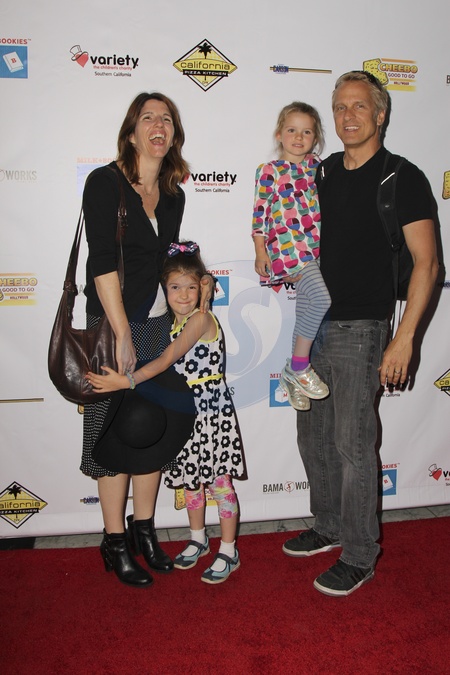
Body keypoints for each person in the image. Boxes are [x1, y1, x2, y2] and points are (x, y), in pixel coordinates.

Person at [283, 71, 439, 596]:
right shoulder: (321, 171)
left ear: (380, 114)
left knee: (352, 446)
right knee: (313, 438)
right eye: (339, 106)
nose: (347, 116)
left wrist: (405, 338)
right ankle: (328, 525)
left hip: (362, 328)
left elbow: (427, 263)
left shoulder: (402, 177)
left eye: (358, 106)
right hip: (312, 324)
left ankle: (359, 554)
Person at [81, 92, 214, 588]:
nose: (158, 125)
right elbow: (101, 263)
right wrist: (121, 332)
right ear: (132, 131)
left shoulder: (174, 194)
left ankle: (144, 531)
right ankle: (115, 541)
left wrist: (200, 286)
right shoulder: (105, 183)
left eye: (167, 119)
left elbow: (169, 262)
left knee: (152, 428)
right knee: (112, 435)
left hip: (157, 324)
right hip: (113, 325)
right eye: (148, 117)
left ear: (174, 133)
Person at [87, 242, 245, 584]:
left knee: (219, 484)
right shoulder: (173, 322)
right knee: (191, 483)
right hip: (184, 415)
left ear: (201, 288)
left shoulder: (200, 320)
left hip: (211, 416)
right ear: (164, 290)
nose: (183, 295)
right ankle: (198, 539)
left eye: (191, 287)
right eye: (175, 287)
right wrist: (201, 283)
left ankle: (229, 549)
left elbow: (164, 360)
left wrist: (125, 381)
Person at [251, 102, 331, 412]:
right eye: (292, 130)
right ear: (279, 134)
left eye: (307, 132)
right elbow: (260, 213)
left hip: (315, 248)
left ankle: (290, 375)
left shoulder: (318, 167)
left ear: (316, 138)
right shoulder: (269, 170)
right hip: (287, 248)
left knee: (308, 306)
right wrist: (260, 251)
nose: (299, 137)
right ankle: (299, 366)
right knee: (321, 300)